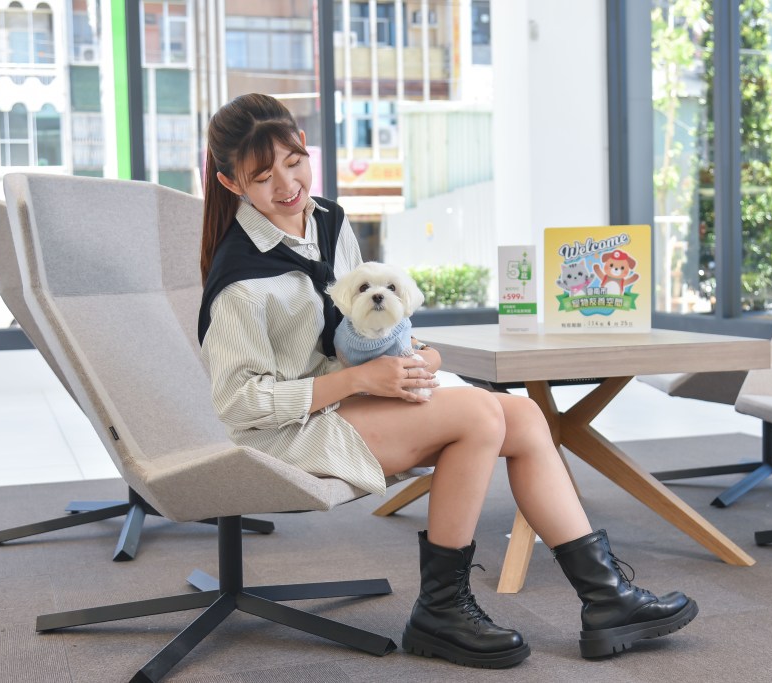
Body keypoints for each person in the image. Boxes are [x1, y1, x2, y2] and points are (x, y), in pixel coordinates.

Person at [198, 93, 698, 669]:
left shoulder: (328, 220)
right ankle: (440, 611)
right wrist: (360, 380)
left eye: (293, 163)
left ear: (305, 148)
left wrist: (418, 355)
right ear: (232, 183)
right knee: (479, 413)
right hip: (287, 431)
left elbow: (362, 323)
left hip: (348, 397)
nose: (287, 185)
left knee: (523, 416)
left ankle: (607, 599)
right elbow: (239, 405)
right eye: (264, 178)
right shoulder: (240, 280)